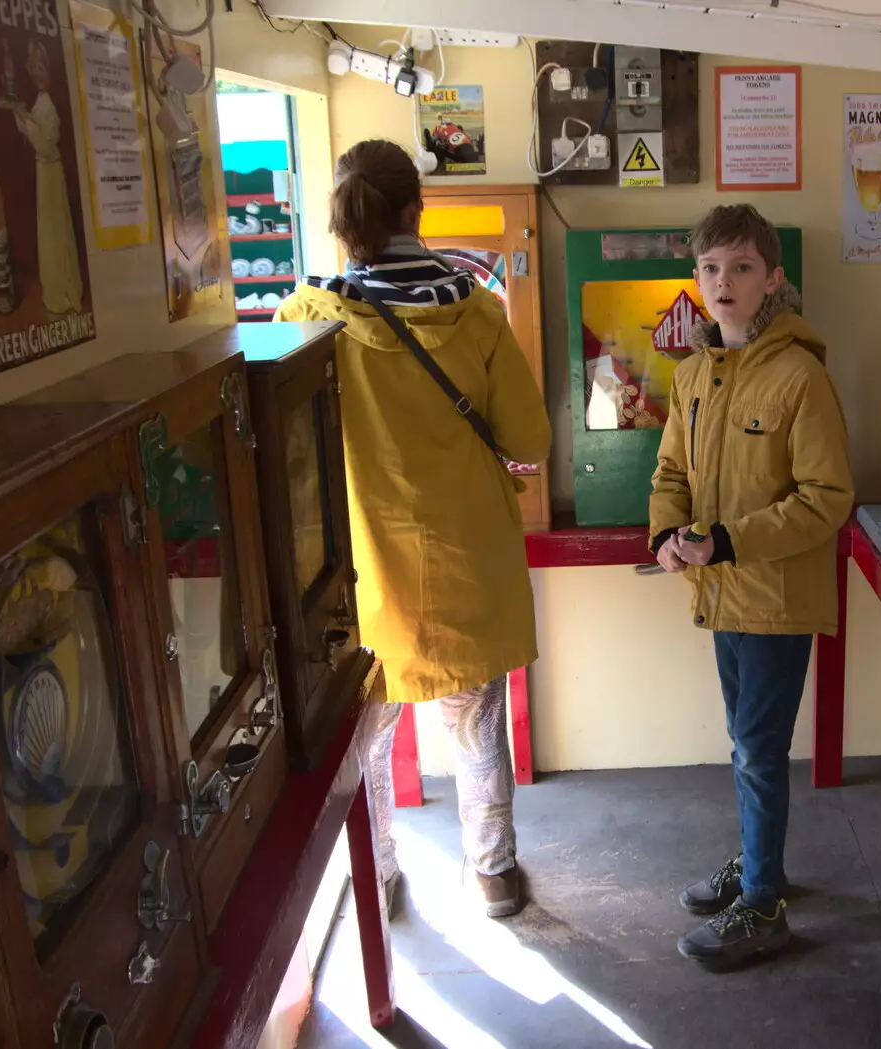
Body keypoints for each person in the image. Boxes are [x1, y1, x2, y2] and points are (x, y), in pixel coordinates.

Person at [274, 139, 551, 918]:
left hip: (361, 578)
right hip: (470, 568)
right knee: (477, 729)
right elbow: (529, 442)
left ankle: (377, 875)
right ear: (413, 212)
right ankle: (493, 872)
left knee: (362, 745)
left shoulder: (304, 317)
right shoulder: (475, 312)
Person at [650, 204, 854, 966]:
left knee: (759, 749)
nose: (722, 282)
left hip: (773, 597)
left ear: (773, 277)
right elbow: (672, 472)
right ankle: (758, 863)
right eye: (709, 268)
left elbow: (827, 499)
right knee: (747, 745)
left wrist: (730, 540)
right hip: (719, 594)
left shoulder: (800, 374)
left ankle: (763, 903)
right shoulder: (695, 373)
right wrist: (667, 535)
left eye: (740, 267)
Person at [0, 40, 83, 315]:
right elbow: (30, 132)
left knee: (56, 230)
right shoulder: (39, 103)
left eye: (40, 66)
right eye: (32, 66)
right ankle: (54, 286)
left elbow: (45, 142)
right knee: (49, 231)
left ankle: (63, 288)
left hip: (50, 171)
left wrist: (21, 113)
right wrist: (19, 112)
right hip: (44, 172)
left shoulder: (49, 107)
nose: (35, 72)